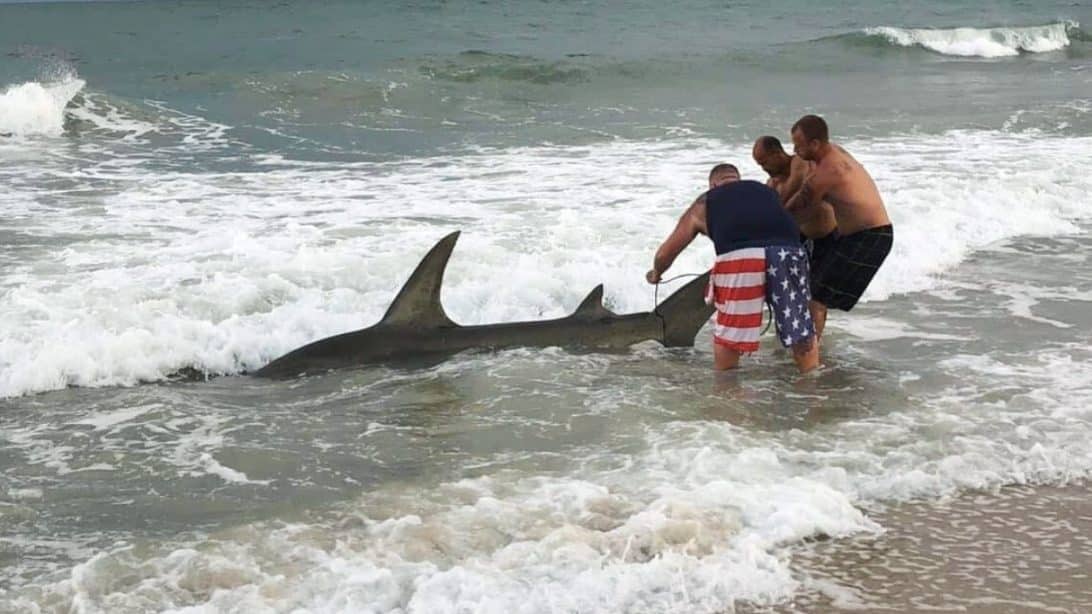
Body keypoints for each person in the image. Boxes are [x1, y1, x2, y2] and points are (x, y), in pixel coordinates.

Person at [646, 164, 818, 373]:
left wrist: (656, 273)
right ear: (737, 179)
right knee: (799, 325)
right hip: (789, 252)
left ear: (714, 184)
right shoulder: (766, 192)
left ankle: (728, 392)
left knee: (731, 334)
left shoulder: (706, 200)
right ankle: (811, 382)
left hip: (742, 257)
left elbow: (667, 252)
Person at [784, 115, 894, 337]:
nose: (795, 151)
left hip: (871, 236)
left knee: (815, 298)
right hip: (852, 236)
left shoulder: (828, 172)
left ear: (815, 144)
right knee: (815, 292)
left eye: (799, 146)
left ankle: (809, 355)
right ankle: (813, 347)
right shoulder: (832, 151)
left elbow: (794, 213)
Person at [753, 135, 839, 335]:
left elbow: (794, 186)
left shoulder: (800, 162)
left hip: (826, 238)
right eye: (759, 164)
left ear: (777, 153)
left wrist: (776, 203)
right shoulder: (772, 183)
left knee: (817, 297)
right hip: (798, 241)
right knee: (792, 293)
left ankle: (814, 344)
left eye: (764, 162)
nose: (763, 168)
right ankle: (796, 336)